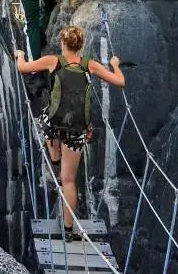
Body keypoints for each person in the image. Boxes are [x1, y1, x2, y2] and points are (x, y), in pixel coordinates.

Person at [15, 25, 125, 242]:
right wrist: (114, 65)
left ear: (63, 44)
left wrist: (20, 54)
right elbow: (120, 82)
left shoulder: (52, 61)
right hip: (77, 129)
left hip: (55, 124)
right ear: (81, 45)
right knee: (69, 182)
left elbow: (23, 68)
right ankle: (68, 229)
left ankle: (54, 155)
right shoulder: (90, 65)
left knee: (44, 118)